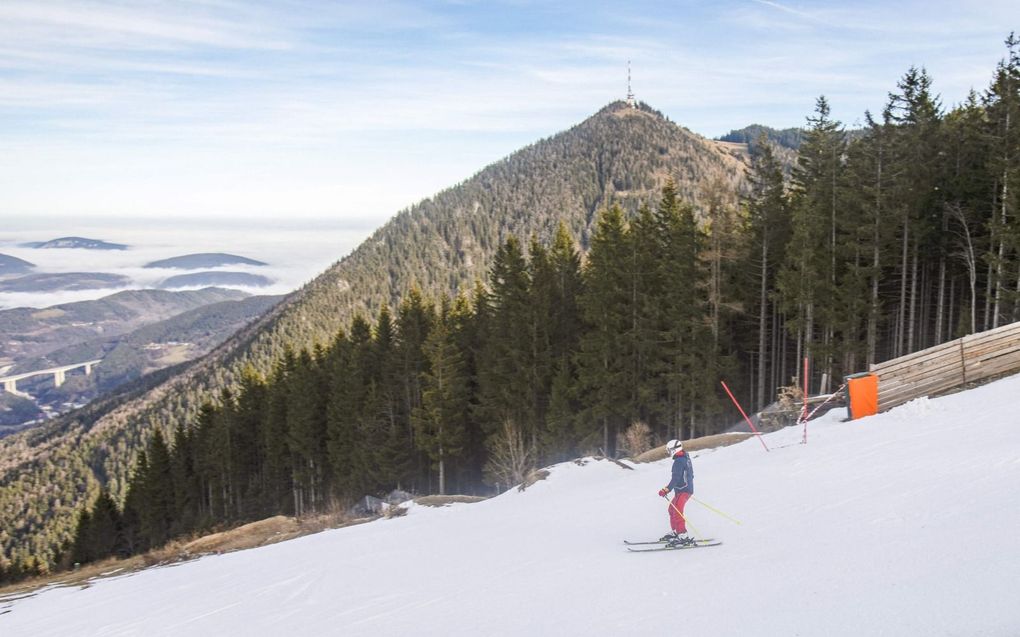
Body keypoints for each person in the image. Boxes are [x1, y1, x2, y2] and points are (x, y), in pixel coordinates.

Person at [657, 439, 695, 547]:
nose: (669, 452)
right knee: (672, 509)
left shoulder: (678, 461)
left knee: (677, 511)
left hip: (683, 491)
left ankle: (683, 535)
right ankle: (676, 532)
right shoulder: (685, 457)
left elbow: (675, 478)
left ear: (674, 450)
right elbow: (690, 474)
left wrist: (666, 489)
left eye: (669, 450)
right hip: (684, 490)